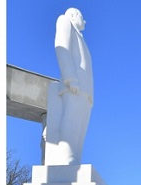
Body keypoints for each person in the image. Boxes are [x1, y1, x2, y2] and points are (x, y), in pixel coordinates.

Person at [42, 7, 94, 165]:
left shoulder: (80, 36)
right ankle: (66, 156)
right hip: (74, 84)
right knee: (70, 120)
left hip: (85, 89)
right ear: (74, 15)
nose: (84, 21)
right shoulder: (64, 21)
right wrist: (70, 77)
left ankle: (75, 158)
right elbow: (61, 48)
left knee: (80, 127)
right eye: (82, 17)